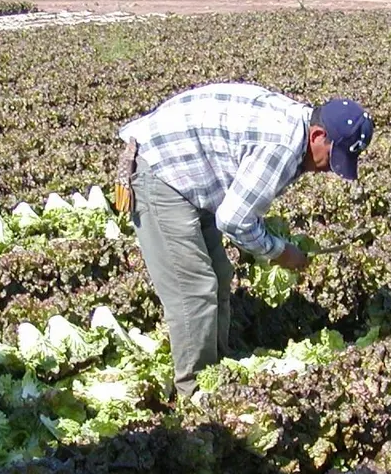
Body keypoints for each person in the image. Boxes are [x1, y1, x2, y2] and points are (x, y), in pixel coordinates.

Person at [114, 82, 374, 397]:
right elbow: (234, 220)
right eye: (333, 159)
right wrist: (280, 252)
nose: (329, 171)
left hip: (195, 170)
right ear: (318, 136)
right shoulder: (282, 145)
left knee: (220, 275)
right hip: (161, 170)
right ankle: (194, 394)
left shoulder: (297, 125)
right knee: (193, 289)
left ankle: (216, 369)